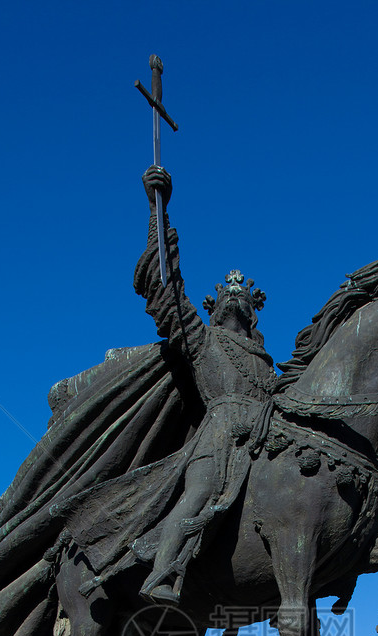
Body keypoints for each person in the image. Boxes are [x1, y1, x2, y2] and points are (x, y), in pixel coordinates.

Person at [132, 165, 276, 603]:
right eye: (230, 295)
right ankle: (161, 574)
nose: (237, 296)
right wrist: (159, 210)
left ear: (253, 313)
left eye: (244, 297)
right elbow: (166, 289)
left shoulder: (270, 369)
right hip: (218, 438)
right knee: (197, 495)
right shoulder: (203, 339)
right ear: (216, 308)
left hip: (267, 441)